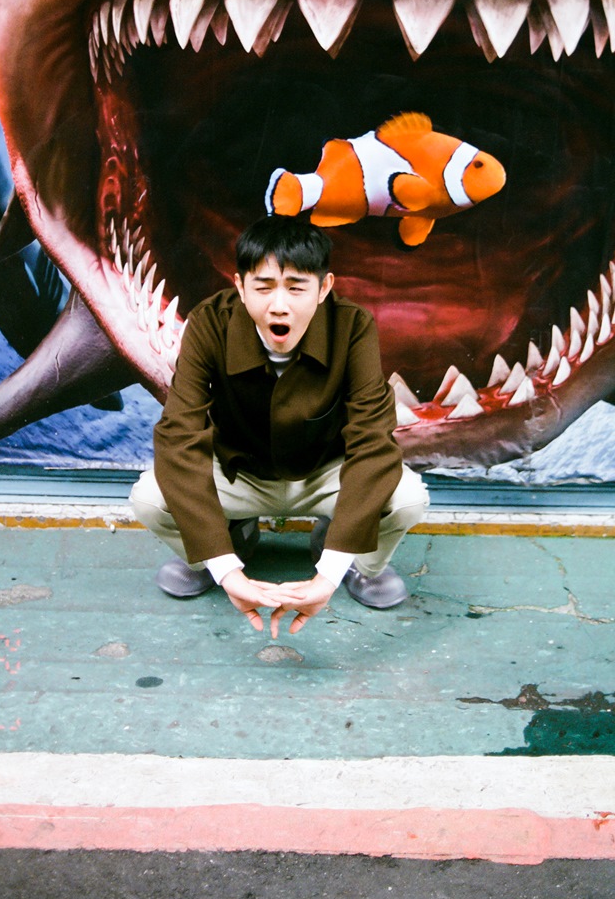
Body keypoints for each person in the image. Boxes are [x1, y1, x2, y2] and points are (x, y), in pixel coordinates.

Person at [130, 216, 429, 637]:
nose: (279, 305)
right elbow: (179, 436)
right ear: (240, 286)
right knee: (149, 498)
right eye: (264, 287)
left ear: (324, 288)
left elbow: (372, 442)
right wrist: (226, 570)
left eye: (296, 287)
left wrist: (328, 575)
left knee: (408, 499)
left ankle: (360, 564)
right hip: (240, 474)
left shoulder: (352, 326)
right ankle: (219, 546)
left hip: (325, 475)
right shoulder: (210, 323)